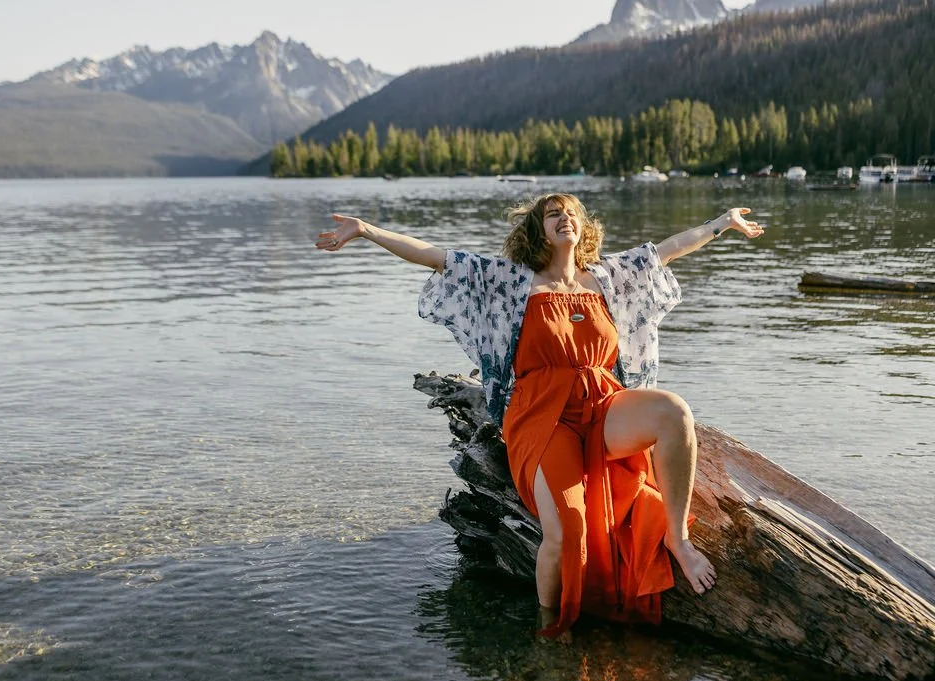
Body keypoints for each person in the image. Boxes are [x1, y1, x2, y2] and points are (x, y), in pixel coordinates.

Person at [315, 193, 764, 638]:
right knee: (568, 530)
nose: (565, 218)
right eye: (553, 214)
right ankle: (550, 623)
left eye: (571, 213)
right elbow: (437, 258)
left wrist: (722, 222)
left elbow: (668, 249)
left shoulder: (607, 277)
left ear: (583, 228)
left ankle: (676, 540)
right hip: (540, 416)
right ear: (539, 230)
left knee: (674, 413)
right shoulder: (511, 281)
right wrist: (366, 230)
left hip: (601, 402)